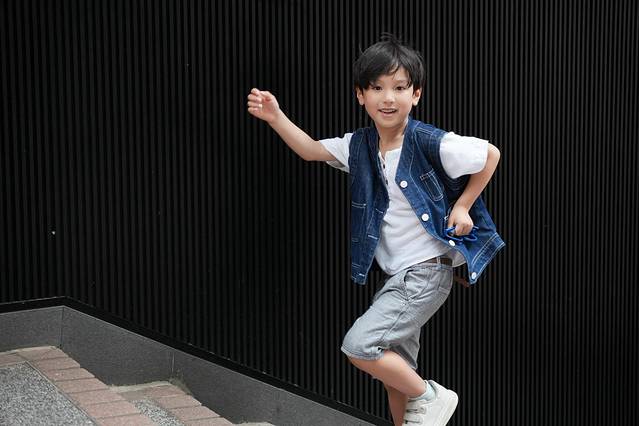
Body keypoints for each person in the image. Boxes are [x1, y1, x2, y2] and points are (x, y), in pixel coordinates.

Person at [247, 32, 505, 426]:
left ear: (416, 95)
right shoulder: (360, 146)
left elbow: (489, 154)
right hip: (398, 275)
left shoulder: (428, 141)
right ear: (360, 95)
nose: (388, 98)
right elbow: (312, 150)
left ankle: (432, 396)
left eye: (400, 88)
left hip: (424, 272)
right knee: (395, 371)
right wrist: (275, 117)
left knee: (360, 346)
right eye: (377, 87)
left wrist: (463, 205)